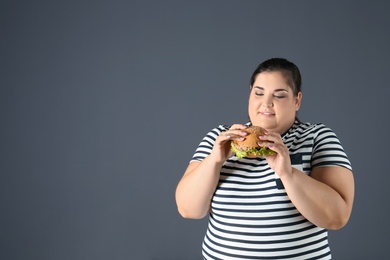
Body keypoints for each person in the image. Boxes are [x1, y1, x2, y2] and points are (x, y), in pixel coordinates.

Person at [175, 58, 355, 259]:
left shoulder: (317, 137)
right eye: (258, 93)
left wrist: (288, 174)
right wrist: (215, 161)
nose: (266, 103)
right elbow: (188, 209)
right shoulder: (220, 139)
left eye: (279, 95)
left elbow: (336, 218)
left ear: (297, 101)